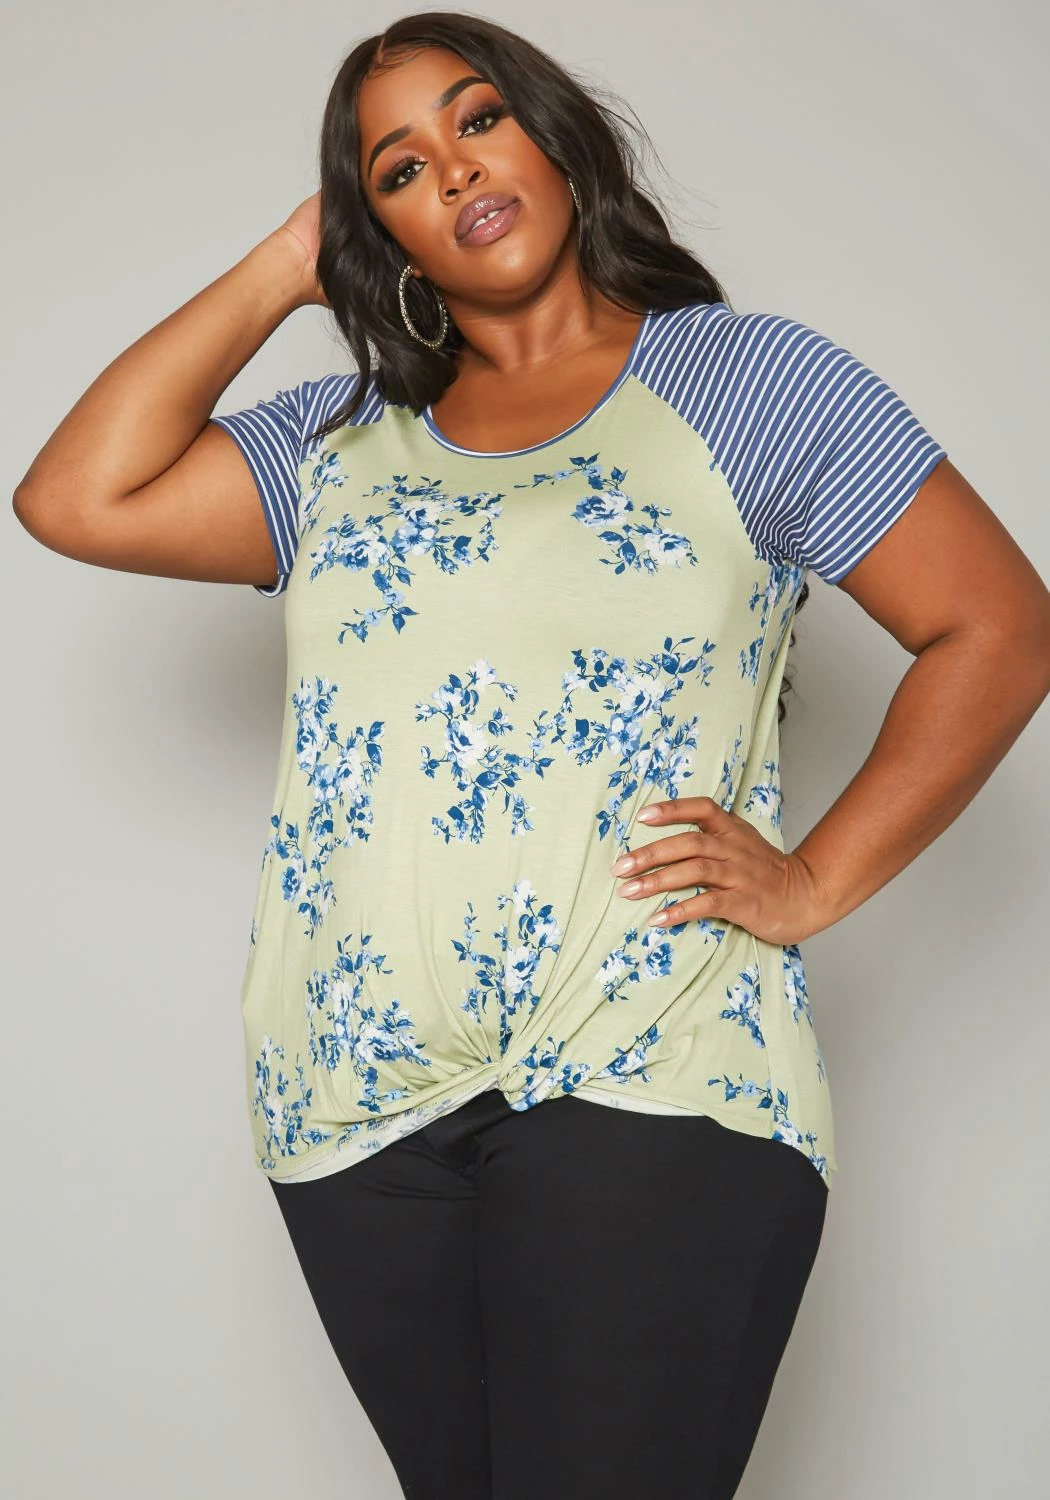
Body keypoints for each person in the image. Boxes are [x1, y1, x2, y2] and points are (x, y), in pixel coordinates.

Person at [13, 11, 1050, 1499]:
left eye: (479, 119)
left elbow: (996, 626)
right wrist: (287, 262)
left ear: (558, 140)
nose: (451, 167)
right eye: (397, 168)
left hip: (652, 1067)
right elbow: (74, 498)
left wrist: (817, 879)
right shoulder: (336, 445)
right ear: (375, 228)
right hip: (355, 1105)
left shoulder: (747, 384)